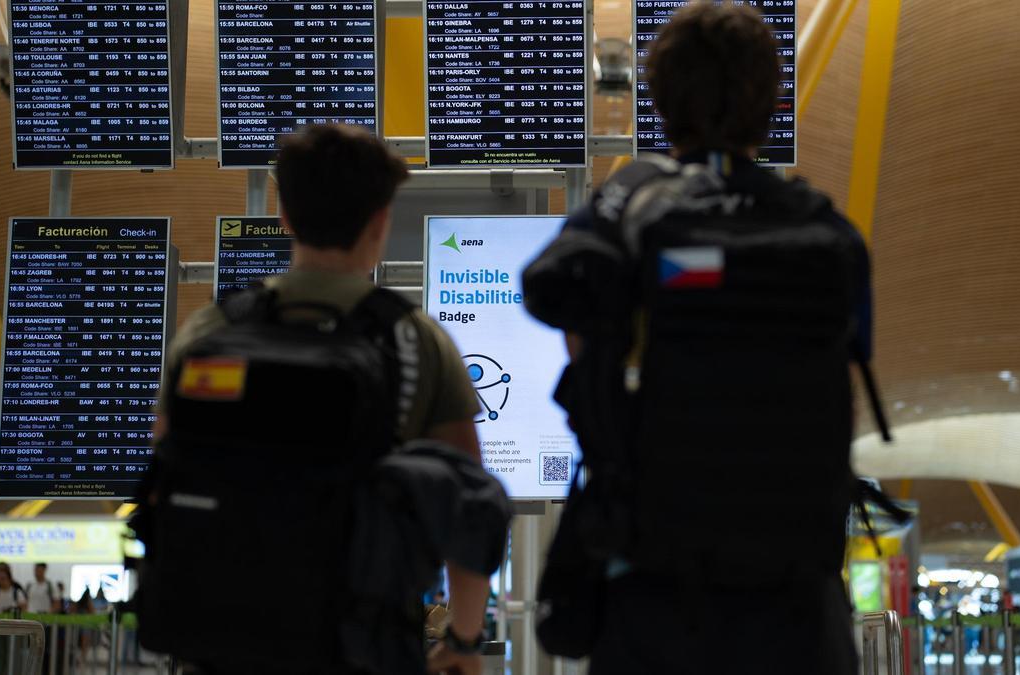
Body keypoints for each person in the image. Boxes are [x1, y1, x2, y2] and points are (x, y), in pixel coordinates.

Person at [523, 3, 871, 673]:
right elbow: (844, 380)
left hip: (652, 588)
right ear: (772, 105)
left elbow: (561, 305)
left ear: (658, 102)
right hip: (797, 593)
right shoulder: (824, 232)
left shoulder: (625, 210)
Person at [143, 124, 502, 675]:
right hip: (357, 642)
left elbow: (166, 471)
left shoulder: (211, 330)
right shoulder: (414, 339)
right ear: (380, 223)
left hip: (221, 637)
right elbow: (468, 504)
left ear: (284, 215)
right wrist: (464, 639)